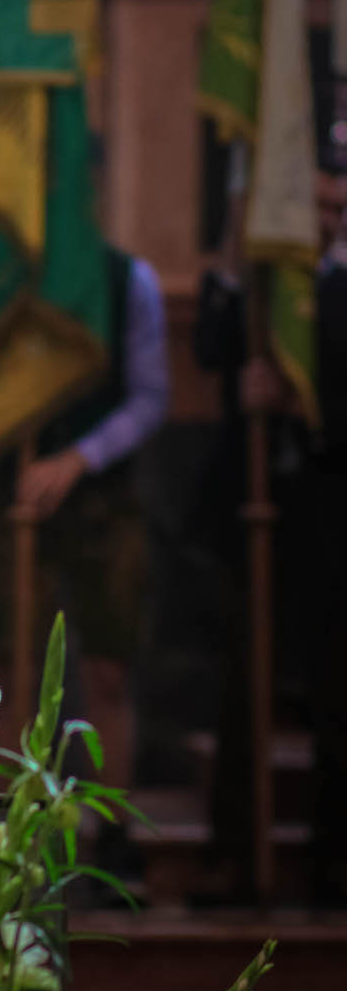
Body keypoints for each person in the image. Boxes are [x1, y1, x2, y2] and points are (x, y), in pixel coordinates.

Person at [194, 165, 347, 904]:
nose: (320, 216)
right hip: (245, 514)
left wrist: (302, 399)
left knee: (333, 690)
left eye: (333, 205)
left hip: (327, 512)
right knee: (241, 691)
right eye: (309, 199)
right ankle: (233, 860)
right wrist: (232, 247)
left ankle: (330, 866)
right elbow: (210, 348)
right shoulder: (257, 288)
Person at [16, 245, 169, 880]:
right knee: (13, 667)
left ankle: (114, 839)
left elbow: (150, 397)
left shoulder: (129, 277)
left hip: (107, 497)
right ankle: (13, 834)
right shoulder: (5, 269)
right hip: (21, 492)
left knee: (109, 668)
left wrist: (79, 459)